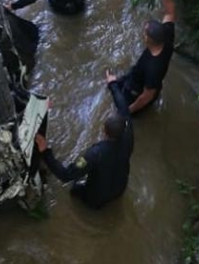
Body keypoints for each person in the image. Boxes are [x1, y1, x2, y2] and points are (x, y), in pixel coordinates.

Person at [34, 77, 134, 209]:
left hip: (96, 199)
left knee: (74, 188)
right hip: (120, 189)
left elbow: (66, 175)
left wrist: (46, 151)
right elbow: (124, 108)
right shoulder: (128, 133)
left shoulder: (94, 154)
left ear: (104, 130)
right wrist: (113, 85)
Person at [109, 0, 177, 114]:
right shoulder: (167, 35)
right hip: (139, 79)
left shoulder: (153, 68)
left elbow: (146, 96)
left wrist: (127, 111)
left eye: (144, 32)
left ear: (148, 39)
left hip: (136, 93)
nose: (143, 33)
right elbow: (170, 11)